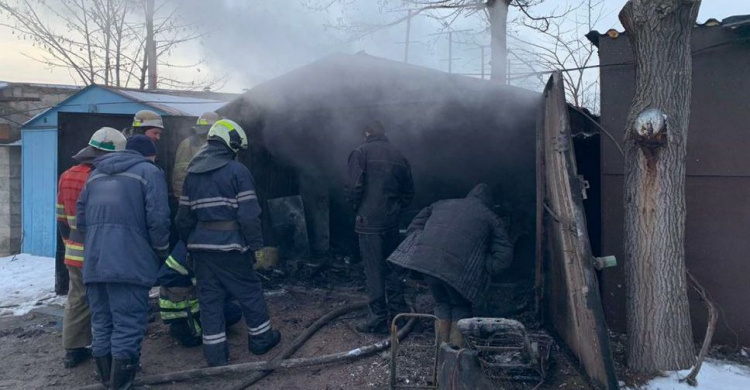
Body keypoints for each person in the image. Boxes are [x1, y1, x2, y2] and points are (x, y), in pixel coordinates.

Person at [176, 119, 281, 367]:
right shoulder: (237, 171)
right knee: (250, 292)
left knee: (210, 301)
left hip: (201, 249)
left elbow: (182, 218)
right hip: (231, 247)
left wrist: (189, 245)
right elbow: (249, 215)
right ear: (229, 144)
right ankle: (261, 340)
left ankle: (215, 356)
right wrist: (256, 246)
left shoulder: (192, 174)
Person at [77, 131, 171, 389]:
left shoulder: (94, 176)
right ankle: (121, 385)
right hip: (129, 262)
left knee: (102, 322)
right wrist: (160, 250)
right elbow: (158, 218)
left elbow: (81, 219)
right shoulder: (148, 173)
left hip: (95, 261)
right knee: (128, 323)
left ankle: (107, 380)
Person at [388, 184, 513, 346]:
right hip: (458, 270)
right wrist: (483, 266)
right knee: (460, 306)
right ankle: (455, 354)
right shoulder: (491, 217)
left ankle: (441, 348)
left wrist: (425, 245)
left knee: (441, 303)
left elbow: (414, 227)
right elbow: (504, 256)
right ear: (490, 202)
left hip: (427, 265)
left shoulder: (440, 204)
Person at [56, 128, 124, 368]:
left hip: (74, 249)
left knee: (77, 299)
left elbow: (62, 216)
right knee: (107, 300)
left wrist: (69, 243)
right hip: (101, 250)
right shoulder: (102, 178)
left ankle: (73, 350)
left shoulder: (67, 175)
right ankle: (108, 352)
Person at [345, 120, 414, 334]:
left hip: (369, 222)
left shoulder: (360, 153)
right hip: (391, 221)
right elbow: (409, 191)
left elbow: (354, 186)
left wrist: (359, 209)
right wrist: (395, 209)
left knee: (373, 270)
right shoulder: (398, 155)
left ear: (366, 132)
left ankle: (377, 319)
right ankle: (398, 313)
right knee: (393, 266)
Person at [157, 240, 243, 347]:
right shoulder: (198, 253)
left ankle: (188, 327)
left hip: (179, 309)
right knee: (233, 312)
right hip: (186, 310)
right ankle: (194, 330)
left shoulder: (189, 242)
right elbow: (207, 288)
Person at [172, 112, 220, 199]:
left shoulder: (218, 144)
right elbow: (180, 174)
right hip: (195, 197)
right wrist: (182, 199)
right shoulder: (188, 144)